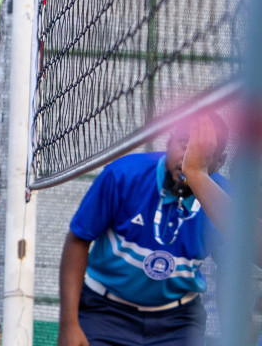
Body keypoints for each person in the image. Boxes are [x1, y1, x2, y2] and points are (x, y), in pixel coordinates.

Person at [58, 114, 234, 346]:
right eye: (184, 142)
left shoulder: (226, 203)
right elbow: (78, 240)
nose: (190, 157)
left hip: (178, 322)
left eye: (202, 150)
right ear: (168, 142)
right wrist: (69, 324)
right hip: (105, 312)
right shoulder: (122, 175)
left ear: (219, 162)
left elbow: (232, 270)